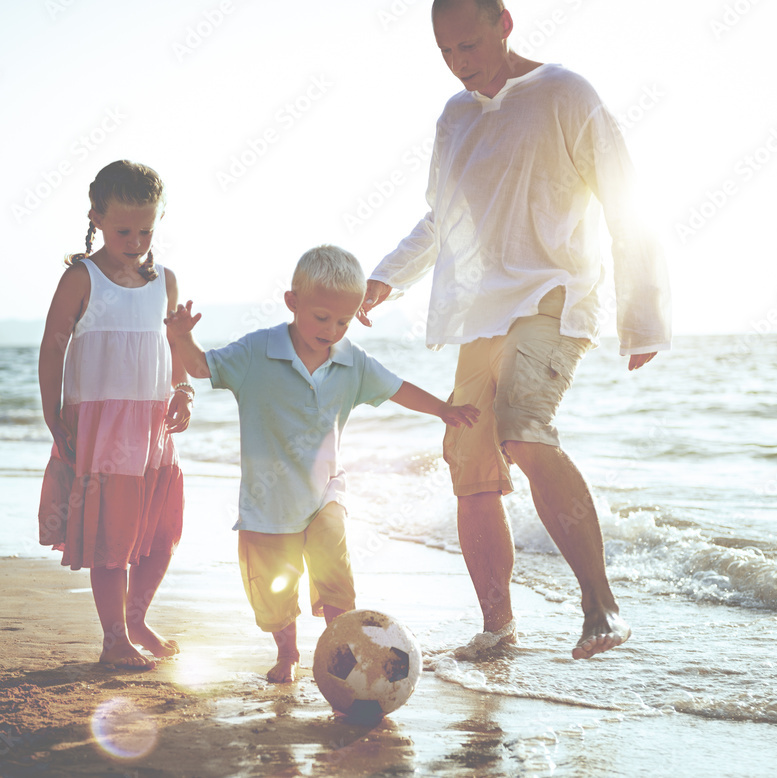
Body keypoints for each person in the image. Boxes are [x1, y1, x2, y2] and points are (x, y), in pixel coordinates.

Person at [358, 0, 671, 659]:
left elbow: (625, 197)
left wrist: (641, 319)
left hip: (555, 297)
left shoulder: (565, 93)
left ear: (504, 22)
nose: (459, 63)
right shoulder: (455, 116)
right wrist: (387, 277)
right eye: (445, 52)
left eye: (469, 45)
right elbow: (440, 220)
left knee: (523, 429)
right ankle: (498, 629)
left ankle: (601, 608)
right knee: (469, 469)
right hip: (480, 315)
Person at [166, 245, 479, 683]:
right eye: (321, 317)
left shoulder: (352, 362)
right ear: (292, 302)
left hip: (324, 495)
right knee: (273, 592)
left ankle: (342, 654)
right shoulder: (257, 351)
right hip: (267, 502)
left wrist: (443, 410)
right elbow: (201, 368)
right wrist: (181, 337)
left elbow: (397, 388)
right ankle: (288, 652)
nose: (332, 329)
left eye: (343, 321)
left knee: (337, 578)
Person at [38, 160, 194, 670]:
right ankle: (114, 640)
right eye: (124, 229)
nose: (135, 239)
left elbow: (172, 348)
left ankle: (137, 617)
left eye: (146, 229)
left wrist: (183, 391)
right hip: (102, 430)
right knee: (113, 539)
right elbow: (53, 346)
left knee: (160, 533)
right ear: (97, 218)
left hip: (152, 428)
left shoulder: (164, 281)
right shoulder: (81, 277)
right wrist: (53, 412)